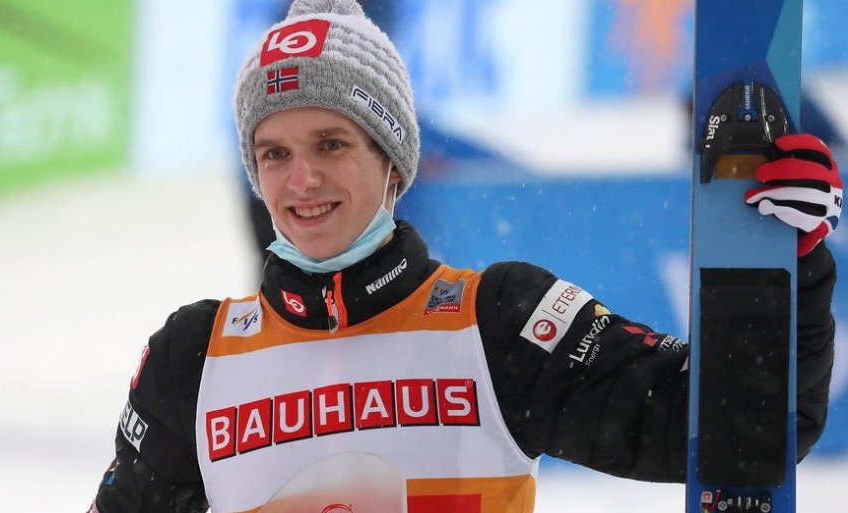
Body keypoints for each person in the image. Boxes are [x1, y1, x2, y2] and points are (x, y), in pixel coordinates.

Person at [89, 1, 843, 512]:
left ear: (392, 164)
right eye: (274, 153)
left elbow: (737, 429)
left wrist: (784, 266)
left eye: (331, 144)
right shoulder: (196, 355)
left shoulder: (497, 322)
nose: (302, 179)